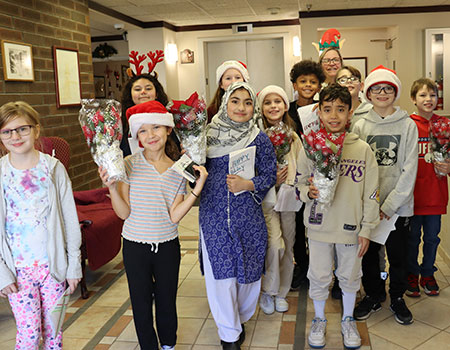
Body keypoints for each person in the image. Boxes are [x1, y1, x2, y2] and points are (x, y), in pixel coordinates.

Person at [99, 100, 208, 350]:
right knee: (140, 301)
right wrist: (112, 189)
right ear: (137, 135)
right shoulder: (128, 164)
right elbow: (124, 213)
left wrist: (196, 190)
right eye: (144, 130)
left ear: (168, 129)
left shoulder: (179, 169)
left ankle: (168, 343)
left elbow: (174, 216)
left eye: (157, 127)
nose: (151, 135)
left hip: (167, 246)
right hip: (135, 246)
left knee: (166, 298)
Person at [297, 84, 379, 349]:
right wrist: (307, 192)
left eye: (340, 110)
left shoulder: (362, 149)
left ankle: (347, 319)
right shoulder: (310, 147)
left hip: (350, 229)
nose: (334, 116)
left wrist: (366, 229)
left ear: (350, 113)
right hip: (319, 226)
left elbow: (371, 193)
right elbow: (297, 185)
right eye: (328, 109)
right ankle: (319, 319)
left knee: (350, 275)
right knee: (319, 276)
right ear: (318, 112)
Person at [200, 82, 277, 350]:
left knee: (249, 275)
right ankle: (228, 335)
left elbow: (269, 173)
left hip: (248, 217)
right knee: (221, 277)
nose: (241, 107)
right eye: (235, 101)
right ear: (224, 103)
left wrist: (248, 184)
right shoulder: (205, 137)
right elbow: (193, 171)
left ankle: (240, 318)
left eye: (247, 102)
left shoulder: (259, 138)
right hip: (214, 217)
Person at [0, 101, 82, 349]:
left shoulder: (53, 169)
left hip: (53, 268)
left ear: (36, 130)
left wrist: (74, 265)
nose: (15, 136)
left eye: (22, 129)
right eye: (7, 131)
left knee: (54, 333)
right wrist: (2, 274)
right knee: (29, 336)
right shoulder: (1, 173)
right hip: (18, 271)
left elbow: (69, 219)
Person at [352, 65, 418, 325]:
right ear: (368, 93)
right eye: (376, 89)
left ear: (395, 92)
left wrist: (389, 205)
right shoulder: (359, 125)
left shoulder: (408, 125)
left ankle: (398, 296)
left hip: (398, 206)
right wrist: (371, 206)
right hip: (369, 206)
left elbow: (409, 169)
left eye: (387, 89)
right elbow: (355, 169)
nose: (382, 93)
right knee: (368, 253)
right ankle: (374, 294)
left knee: (398, 254)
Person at [257, 85, 303, 314]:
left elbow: (303, 167)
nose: (273, 106)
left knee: (288, 247)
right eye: (268, 102)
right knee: (274, 246)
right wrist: (270, 178)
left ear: (285, 106)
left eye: (278, 102)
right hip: (266, 202)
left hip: (288, 201)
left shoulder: (293, 137)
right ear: (261, 108)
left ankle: (282, 292)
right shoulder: (257, 137)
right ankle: (268, 290)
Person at [406, 78, 450, 297]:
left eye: (432, 95)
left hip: (436, 195)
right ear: (413, 99)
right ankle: (412, 274)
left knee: (432, 238)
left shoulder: (444, 125)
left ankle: (428, 273)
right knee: (412, 238)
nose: (428, 99)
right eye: (423, 95)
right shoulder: (407, 125)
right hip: (412, 196)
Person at [287, 60, 325, 290]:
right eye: (303, 81)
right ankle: (302, 265)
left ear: (319, 85)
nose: (308, 85)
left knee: (319, 223)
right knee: (298, 225)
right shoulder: (287, 111)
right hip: (297, 175)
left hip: (321, 172)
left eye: (313, 81)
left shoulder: (324, 108)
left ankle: (320, 268)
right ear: (295, 84)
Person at [120, 73, 170, 157]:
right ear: (130, 95)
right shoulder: (120, 123)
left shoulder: (167, 117)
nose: (143, 92)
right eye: (138, 89)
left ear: (157, 94)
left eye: (148, 88)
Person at [336, 65, 372, 130]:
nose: (349, 81)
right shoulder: (331, 111)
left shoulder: (371, 110)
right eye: (343, 80)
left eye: (354, 79)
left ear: (361, 86)